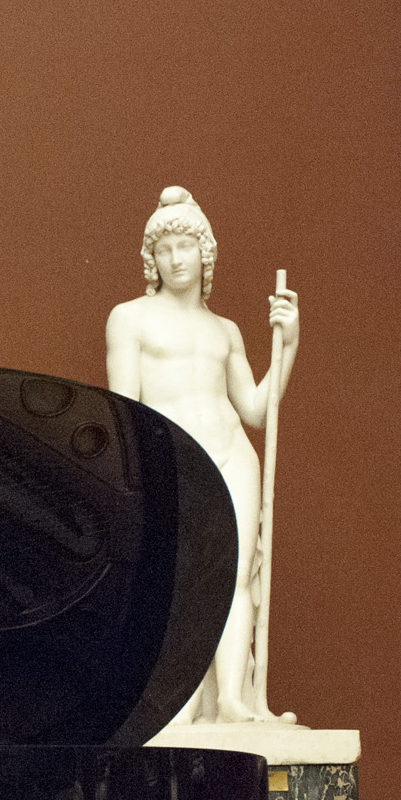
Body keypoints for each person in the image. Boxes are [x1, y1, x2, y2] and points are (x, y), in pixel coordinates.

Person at [105, 186, 298, 723]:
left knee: (235, 576)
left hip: (233, 454)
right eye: (164, 249)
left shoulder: (225, 330)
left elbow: (256, 409)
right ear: (152, 259)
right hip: (175, 461)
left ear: (204, 253)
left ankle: (232, 698)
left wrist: (288, 343)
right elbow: (125, 410)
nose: (176, 258)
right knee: (180, 579)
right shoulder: (130, 318)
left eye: (185, 246)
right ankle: (179, 702)